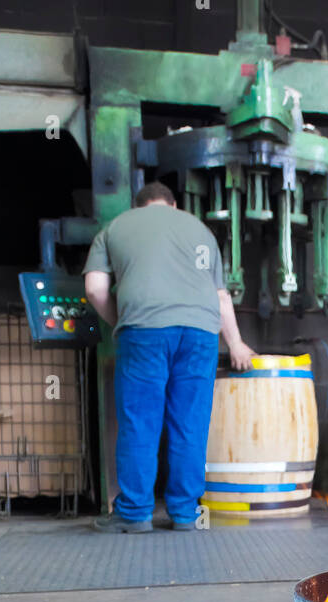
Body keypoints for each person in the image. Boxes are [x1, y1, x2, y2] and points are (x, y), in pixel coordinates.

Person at [83, 181, 255, 532]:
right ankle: (185, 514)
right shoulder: (200, 230)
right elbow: (221, 297)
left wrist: (124, 322)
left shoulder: (114, 228)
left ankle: (134, 514)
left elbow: (95, 289)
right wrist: (236, 344)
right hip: (200, 334)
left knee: (139, 421)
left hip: (143, 330)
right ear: (173, 205)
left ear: (137, 205)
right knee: (190, 422)